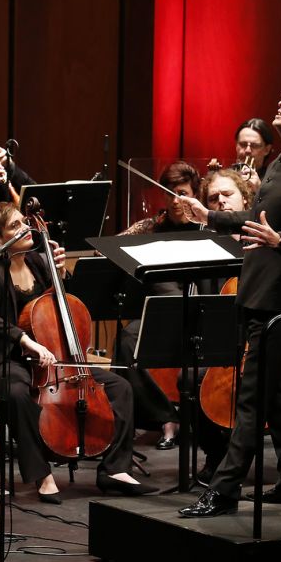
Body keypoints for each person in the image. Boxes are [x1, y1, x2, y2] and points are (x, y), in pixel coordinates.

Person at [177, 82, 281, 517]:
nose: (280, 103)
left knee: (250, 396)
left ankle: (224, 489)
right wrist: (210, 215)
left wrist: (278, 238)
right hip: (259, 288)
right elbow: (256, 217)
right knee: (280, 391)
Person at [0, 202, 156, 502]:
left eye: (24, 223)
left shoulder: (38, 263)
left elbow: (56, 306)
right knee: (16, 394)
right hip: (8, 358)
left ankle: (114, 469)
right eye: (14, 227)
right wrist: (23, 340)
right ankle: (42, 474)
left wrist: (59, 272)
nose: (25, 229)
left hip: (55, 358)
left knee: (120, 387)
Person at [195, 168, 281, 482]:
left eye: (228, 195)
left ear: (247, 199)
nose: (222, 202)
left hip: (277, 338)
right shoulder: (203, 247)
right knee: (193, 380)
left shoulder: (269, 235)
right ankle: (216, 457)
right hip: (225, 347)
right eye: (214, 198)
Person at [115, 160, 204, 449]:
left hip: (203, 313)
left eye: (182, 193)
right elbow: (111, 247)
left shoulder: (207, 227)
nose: (175, 201)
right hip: (164, 317)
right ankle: (165, 417)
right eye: (169, 194)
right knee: (127, 338)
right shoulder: (151, 227)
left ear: (195, 194)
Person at [232, 117, 275, 191]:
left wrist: (260, 190)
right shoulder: (225, 177)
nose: (248, 150)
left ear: (267, 150)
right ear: (236, 145)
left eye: (254, 146)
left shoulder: (275, 180)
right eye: (243, 144)